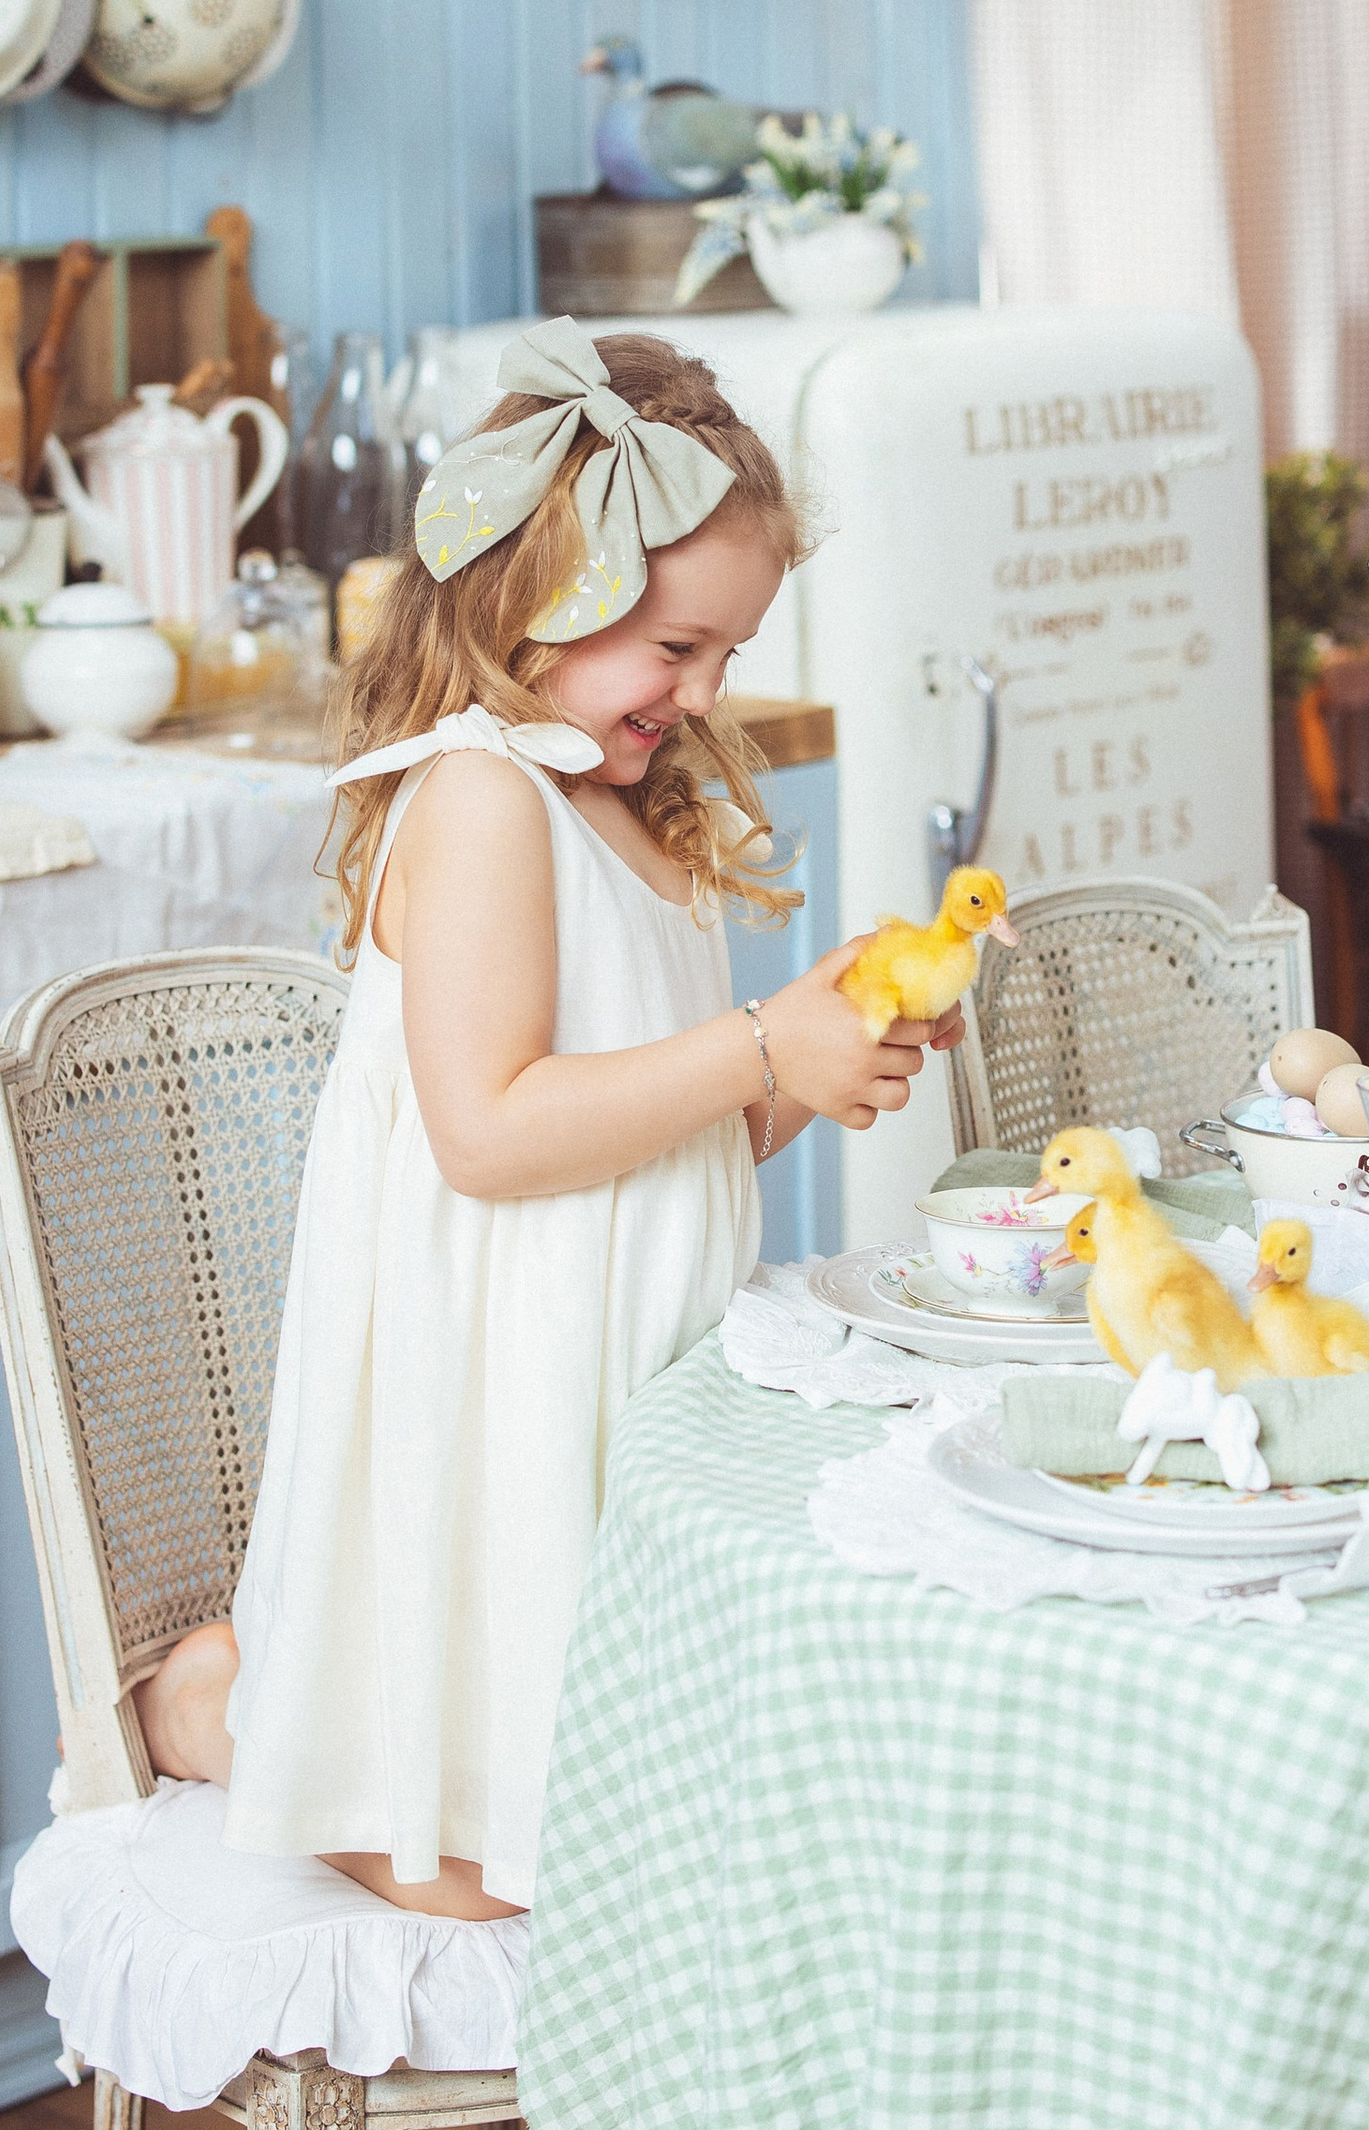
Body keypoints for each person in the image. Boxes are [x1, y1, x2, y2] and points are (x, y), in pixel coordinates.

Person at [130, 321, 942, 1920]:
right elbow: (493, 1132)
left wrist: (808, 1056)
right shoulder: (483, 795)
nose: (709, 691)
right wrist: (751, 1039)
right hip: (495, 1373)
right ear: (538, 598)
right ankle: (213, 1702)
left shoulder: (633, 806)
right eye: (674, 648)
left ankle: (288, 1681)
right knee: (507, 1876)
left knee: (639, 1811)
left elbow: (659, 1132)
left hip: (625, 1374)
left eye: (727, 651)